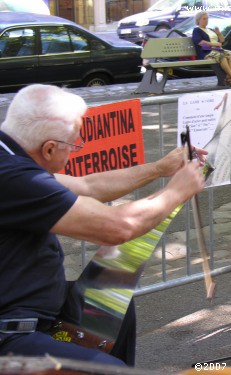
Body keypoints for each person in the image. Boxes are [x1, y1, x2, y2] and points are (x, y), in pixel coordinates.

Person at [0, 84, 206, 366]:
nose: (74, 152)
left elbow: (88, 186)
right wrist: (176, 192)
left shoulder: (10, 155)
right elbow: (117, 227)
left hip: (37, 300)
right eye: (74, 145)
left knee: (110, 297)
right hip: (11, 330)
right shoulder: (12, 177)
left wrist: (159, 168)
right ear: (48, 149)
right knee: (111, 371)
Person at [192, 11, 231, 87]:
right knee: (221, 56)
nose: (206, 20)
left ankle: (228, 77)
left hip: (217, 51)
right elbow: (200, 42)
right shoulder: (197, 30)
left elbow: (222, 40)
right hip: (206, 53)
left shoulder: (210, 30)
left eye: (207, 18)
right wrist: (214, 44)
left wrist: (219, 33)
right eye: (204, 19)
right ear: (198, 20)